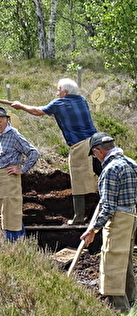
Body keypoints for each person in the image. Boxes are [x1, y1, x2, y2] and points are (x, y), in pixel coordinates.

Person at [11, 78, 99, 225]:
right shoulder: (82, 100)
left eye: (58, 90)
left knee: (78, 181)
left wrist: (21, 106)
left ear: (64, 92)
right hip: (96, 141)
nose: (57, 92)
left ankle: (79, 218)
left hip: (80, 145)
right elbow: (58, 112)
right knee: (98, 174)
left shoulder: (60, 103)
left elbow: (38, 111)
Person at [80, 132, 137, 314]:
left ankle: (120, 308)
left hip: (118, 221)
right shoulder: (131, 163)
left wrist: (93, 230)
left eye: (94, 154)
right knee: (125, 261)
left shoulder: (111, 169)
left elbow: (109, 208)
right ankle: (132, 301)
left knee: (112, 263)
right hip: (132, 218)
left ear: (98, 151)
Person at [0, 106, 39, 242]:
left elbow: (33, 153)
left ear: (7, 121)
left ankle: (14, 243)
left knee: (12, 211)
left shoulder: (14, 135)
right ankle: (18, 241)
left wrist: (21, 169)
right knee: (6, 210)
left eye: (0, 122)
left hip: (9, 177)